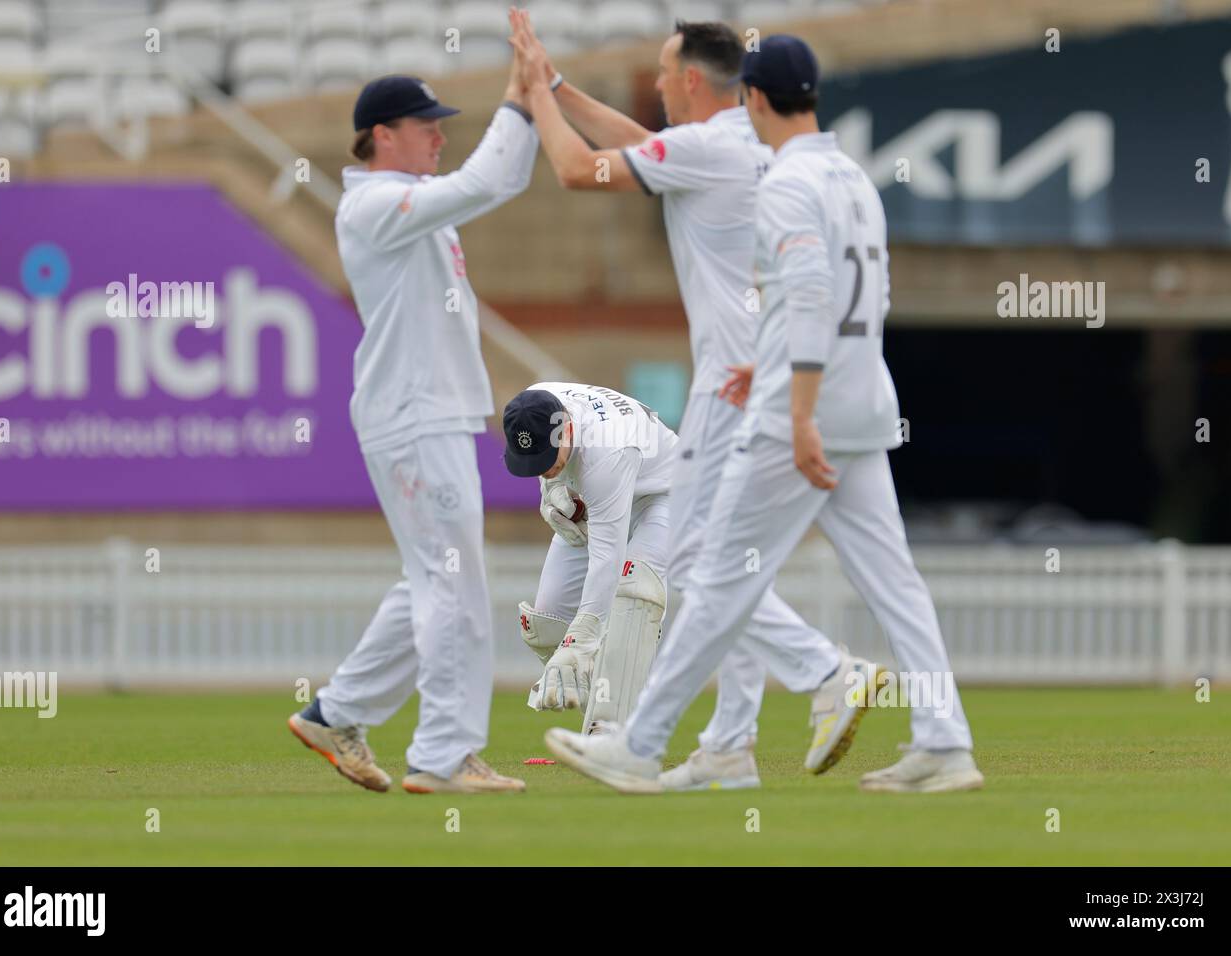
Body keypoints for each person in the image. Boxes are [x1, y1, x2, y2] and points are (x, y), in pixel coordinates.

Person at [544, 35, 983, 795]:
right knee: (894, 581)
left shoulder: (786, 183)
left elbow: (810, 292)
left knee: (714, 573)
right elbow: (863, 301)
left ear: (752, 98)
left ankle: (642, 746)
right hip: (862, 394)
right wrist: (779, 359)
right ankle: (944, 742)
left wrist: (799, 404)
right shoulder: (851, 175)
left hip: (797, 412)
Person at [509, 10, 873, 790]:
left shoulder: (706, 146)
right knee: (729, 561)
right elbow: (638, 144)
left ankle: (821, 674)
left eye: (666, 73)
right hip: (764, 370)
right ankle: (731, 746)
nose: (658, 86)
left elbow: (579, 169)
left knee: (708, 567)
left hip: (730, 385)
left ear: (692, 80)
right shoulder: (742, 138)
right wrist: (565, 85)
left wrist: (537, 94)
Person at [287, 64, 537, 795]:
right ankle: (444, 755)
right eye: (425, 125)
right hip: (412, 413)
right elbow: (486, 182)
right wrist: (519, 102)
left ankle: (337, 712)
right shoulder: (374, 206)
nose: (440, 135)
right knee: (451, 586)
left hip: (431, 412)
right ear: (380, 136)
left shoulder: (414, 199)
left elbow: (504, 181)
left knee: (433, 581)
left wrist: (529, 105)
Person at [503, 383, 678, 736]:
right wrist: (554, 491)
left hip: (668, 495)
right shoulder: (534, 405)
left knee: (633, 595)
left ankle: (614, 732)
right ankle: (614, 689)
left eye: (547, 460)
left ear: (567, 428)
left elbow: (607, 559)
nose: (544, 468)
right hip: (602, 500)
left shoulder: (607, 450)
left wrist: (582, 637)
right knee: (547, 622)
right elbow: (557, 473)